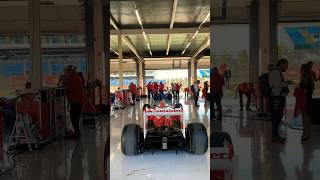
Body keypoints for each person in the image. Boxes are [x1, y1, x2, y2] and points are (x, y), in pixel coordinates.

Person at [269, 58, 289, 143]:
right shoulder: (275, 72)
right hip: (276, 97)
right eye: (286, 65)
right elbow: (277, 84)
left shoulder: (277, 72)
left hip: (278, 97)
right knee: (276, 117)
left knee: (278, 117)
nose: (287, 67)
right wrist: (287, 83)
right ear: (281, 64)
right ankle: (274, 136)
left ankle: (276, 135)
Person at [295, 64, 313, 141]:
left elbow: (304, 91)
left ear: (305, 71)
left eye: (302, 70)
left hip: (305, 101)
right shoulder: (309, 79)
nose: (300, 71)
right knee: (306, 118)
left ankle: (306, 134)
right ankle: (307, 133)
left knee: (305, 118)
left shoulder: (305, 80)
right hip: (306, 100)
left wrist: (297, 89)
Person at [65, 65, 85, 138]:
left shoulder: (73, 78)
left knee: (74, 117)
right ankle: (77, 132)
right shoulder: (76, 77)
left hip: (76, 101)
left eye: (67, 71)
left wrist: (64, 82)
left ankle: (77, 132)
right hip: (77, 100)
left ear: (70, 71)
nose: (66, 73)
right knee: (75, 117)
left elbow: (69, 88)